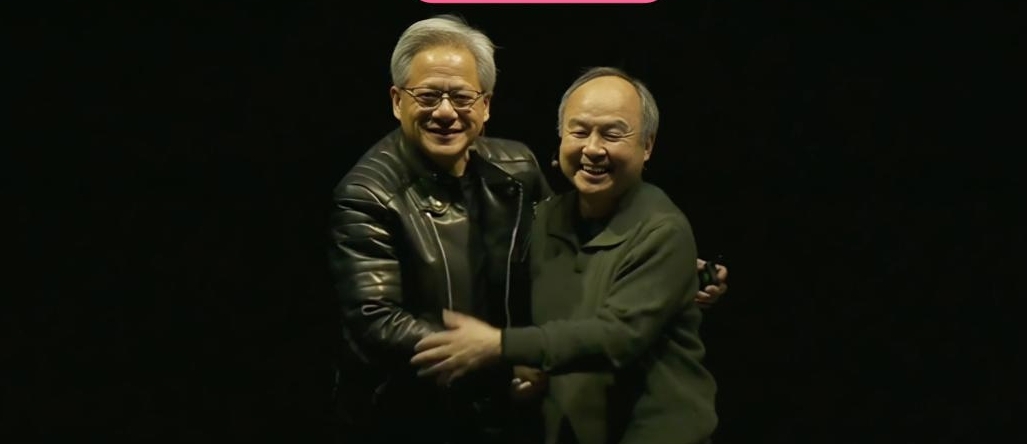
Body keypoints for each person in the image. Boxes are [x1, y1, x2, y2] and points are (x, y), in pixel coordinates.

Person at [329, 14, 726, 444]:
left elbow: (571, 252)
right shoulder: (367, 193)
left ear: (485, 105)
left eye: (461, 97)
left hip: (516, 413)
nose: (445, 111)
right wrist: (502, 355)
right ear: (396, 100)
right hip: (415, 414)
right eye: (427, 95)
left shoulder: (516, 169)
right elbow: (377, 322)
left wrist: (674, 273)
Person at [410, 67, 718, 444]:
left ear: (647, 146)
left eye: (612, 134)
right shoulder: (544, 218)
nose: (593, 149)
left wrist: (500, 345)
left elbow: (616, 337)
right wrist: (522, 369)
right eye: (579, 131)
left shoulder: (662, 229)